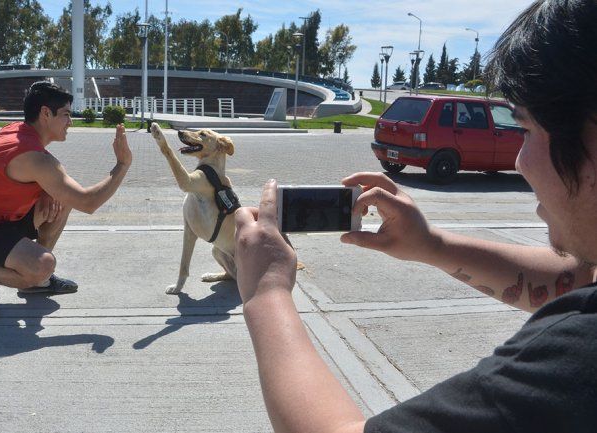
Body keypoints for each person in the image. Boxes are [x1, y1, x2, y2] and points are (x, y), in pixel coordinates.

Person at [233, 0, 597, 431]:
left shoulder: (572, 364)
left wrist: (265, 293)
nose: (520, 162)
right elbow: (575, 280)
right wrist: (432, 246)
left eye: (528, 129)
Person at [0, 81, 132, 317]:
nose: (71, 122)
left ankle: (38, 282)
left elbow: (51, 179)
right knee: (43, 265)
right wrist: (122, 164)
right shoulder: (33, 157)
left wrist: (47, 191)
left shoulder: (16, 131)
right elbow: (89, 202)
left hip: (1, 221)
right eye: (66, 114)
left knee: (62, 198)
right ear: (46, 113)